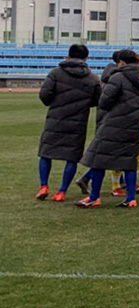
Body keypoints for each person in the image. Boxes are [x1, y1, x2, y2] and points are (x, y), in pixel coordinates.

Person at [76, 50, 139, 208]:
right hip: (135, 123)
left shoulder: (118, 77)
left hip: (115, 122)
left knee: (99, 159)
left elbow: (104, 101)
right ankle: (131, 198)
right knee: (129, 161)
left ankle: (94, 197)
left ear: (122, 62)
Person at [36, 44, 102, 202]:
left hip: (56, 118)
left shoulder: (55, 73)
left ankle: (44, 185)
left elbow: (45, 95)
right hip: (78, 122)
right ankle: (62, 191)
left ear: (68, 55)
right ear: (86, 58)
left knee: (46, 154)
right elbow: (96, 100)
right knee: (72, 157)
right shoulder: (92, 78)